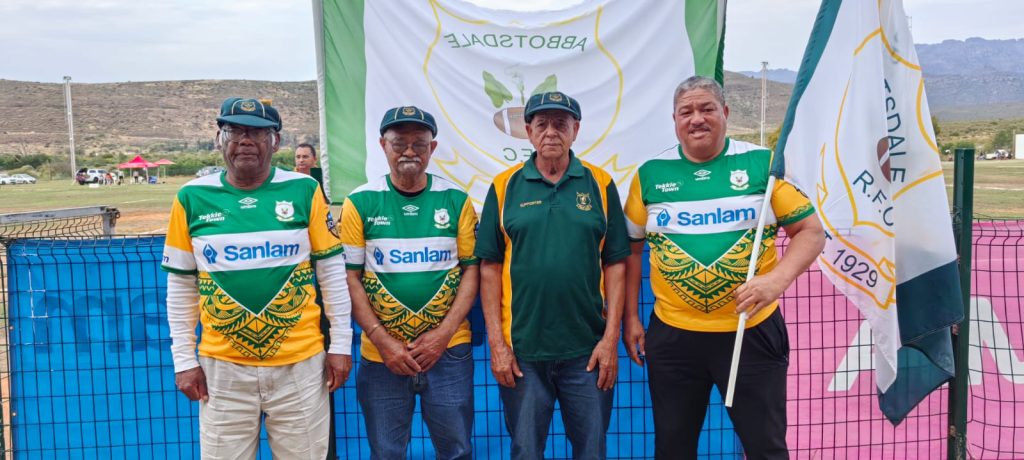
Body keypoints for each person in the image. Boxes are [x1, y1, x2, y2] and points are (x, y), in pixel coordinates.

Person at [622, 76, 825, 459]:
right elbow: (632, 250)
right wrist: (632, 317)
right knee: (673, 448)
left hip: (750, 331)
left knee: (765, 447)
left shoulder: (763, 165)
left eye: (706, 109)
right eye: (686, 112)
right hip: (673, 337)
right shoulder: (649, 175)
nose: (696, 119)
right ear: (675, 120)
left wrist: (775, 281)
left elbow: (811, 232)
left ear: (725, 114)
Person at [161, 97, 353, 459]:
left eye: (257, 132)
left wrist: (340, 344)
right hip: (223, 370)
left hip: (300, 364)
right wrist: (183, 360)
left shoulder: (304, 190)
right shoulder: (191, 197)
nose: (244, 140)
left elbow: (331, 273)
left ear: (276, 141)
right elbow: (181, 287)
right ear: (220, 139)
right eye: (234, 131)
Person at [475, 91, 629, 459]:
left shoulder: (601, 184)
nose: (551, 132)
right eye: (541, 124)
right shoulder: (503, 186)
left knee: (591, 451)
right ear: (528, 132)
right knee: (526, 451)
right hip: (523, 352)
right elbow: (489, 267)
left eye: (561, 124)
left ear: (575, 130)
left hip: (588, 352)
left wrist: (610, 342)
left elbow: (616, 264)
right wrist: (497, 345)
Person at [340, 106, 479, 459]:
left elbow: (471, 272)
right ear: (382, 146)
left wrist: (443, 335)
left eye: (419, 143)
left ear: (432, 148)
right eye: (399, 142)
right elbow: (350, 278)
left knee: (457, 451)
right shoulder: (359, 202)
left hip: (448, 351)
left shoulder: (457, 201)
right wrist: (382, 341)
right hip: (382, 355)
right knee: (386, 453)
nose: (409, 151)